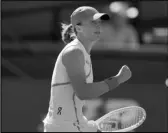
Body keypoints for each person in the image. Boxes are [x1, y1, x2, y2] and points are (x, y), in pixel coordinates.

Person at [43, 6, 132, 132]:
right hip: (62, 127)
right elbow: (83, 92)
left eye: (99, 23)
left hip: (71, 124)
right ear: (78, 28)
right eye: (93, 23)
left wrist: (86, 125)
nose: (98, 26)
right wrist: (117, 80)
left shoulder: (82, 52)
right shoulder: (74, 52)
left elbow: (75, 99)